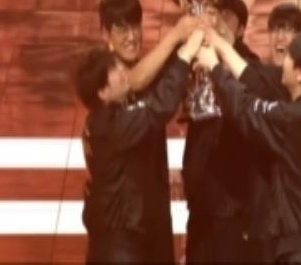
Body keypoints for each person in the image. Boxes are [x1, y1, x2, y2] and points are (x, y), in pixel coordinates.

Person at [196, 30, 301, 264]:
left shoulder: (290, 119)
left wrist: (214, 67)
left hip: (299, 251)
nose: (283, 62)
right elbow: (257, 87)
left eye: (289, 57)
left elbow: (245, 106)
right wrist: (220, 44)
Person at [75, 30, 204, 263]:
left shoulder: (99, 121)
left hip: (113, 239)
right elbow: (159, 106)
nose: (123, 71)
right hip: (121, 247)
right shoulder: (113, 125)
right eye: (115, 70)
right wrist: (185, 55)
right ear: (103, 92)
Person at [183, 0, 276, 263]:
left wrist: (222, 48)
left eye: (227, 17)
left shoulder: (250, 68)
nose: (218, 22)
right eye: (215, 14)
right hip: (201, 205)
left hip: (235, 208)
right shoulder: (197, 59)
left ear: (242, 29)